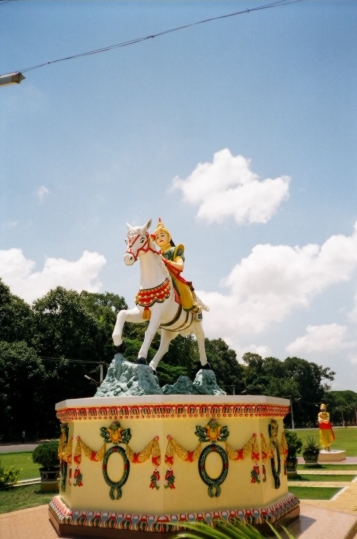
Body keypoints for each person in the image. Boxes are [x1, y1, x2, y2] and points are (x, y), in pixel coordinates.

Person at [152, 219, 200, 314]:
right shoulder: (156, 255)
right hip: (160, 279)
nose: (159, 238)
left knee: (183, 288)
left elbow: (180, 266)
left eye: (162, 235)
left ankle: (194, 308)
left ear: (169, 237)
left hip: (174, 277)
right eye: (157, 237)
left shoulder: (175, 250)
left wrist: (165, 261)